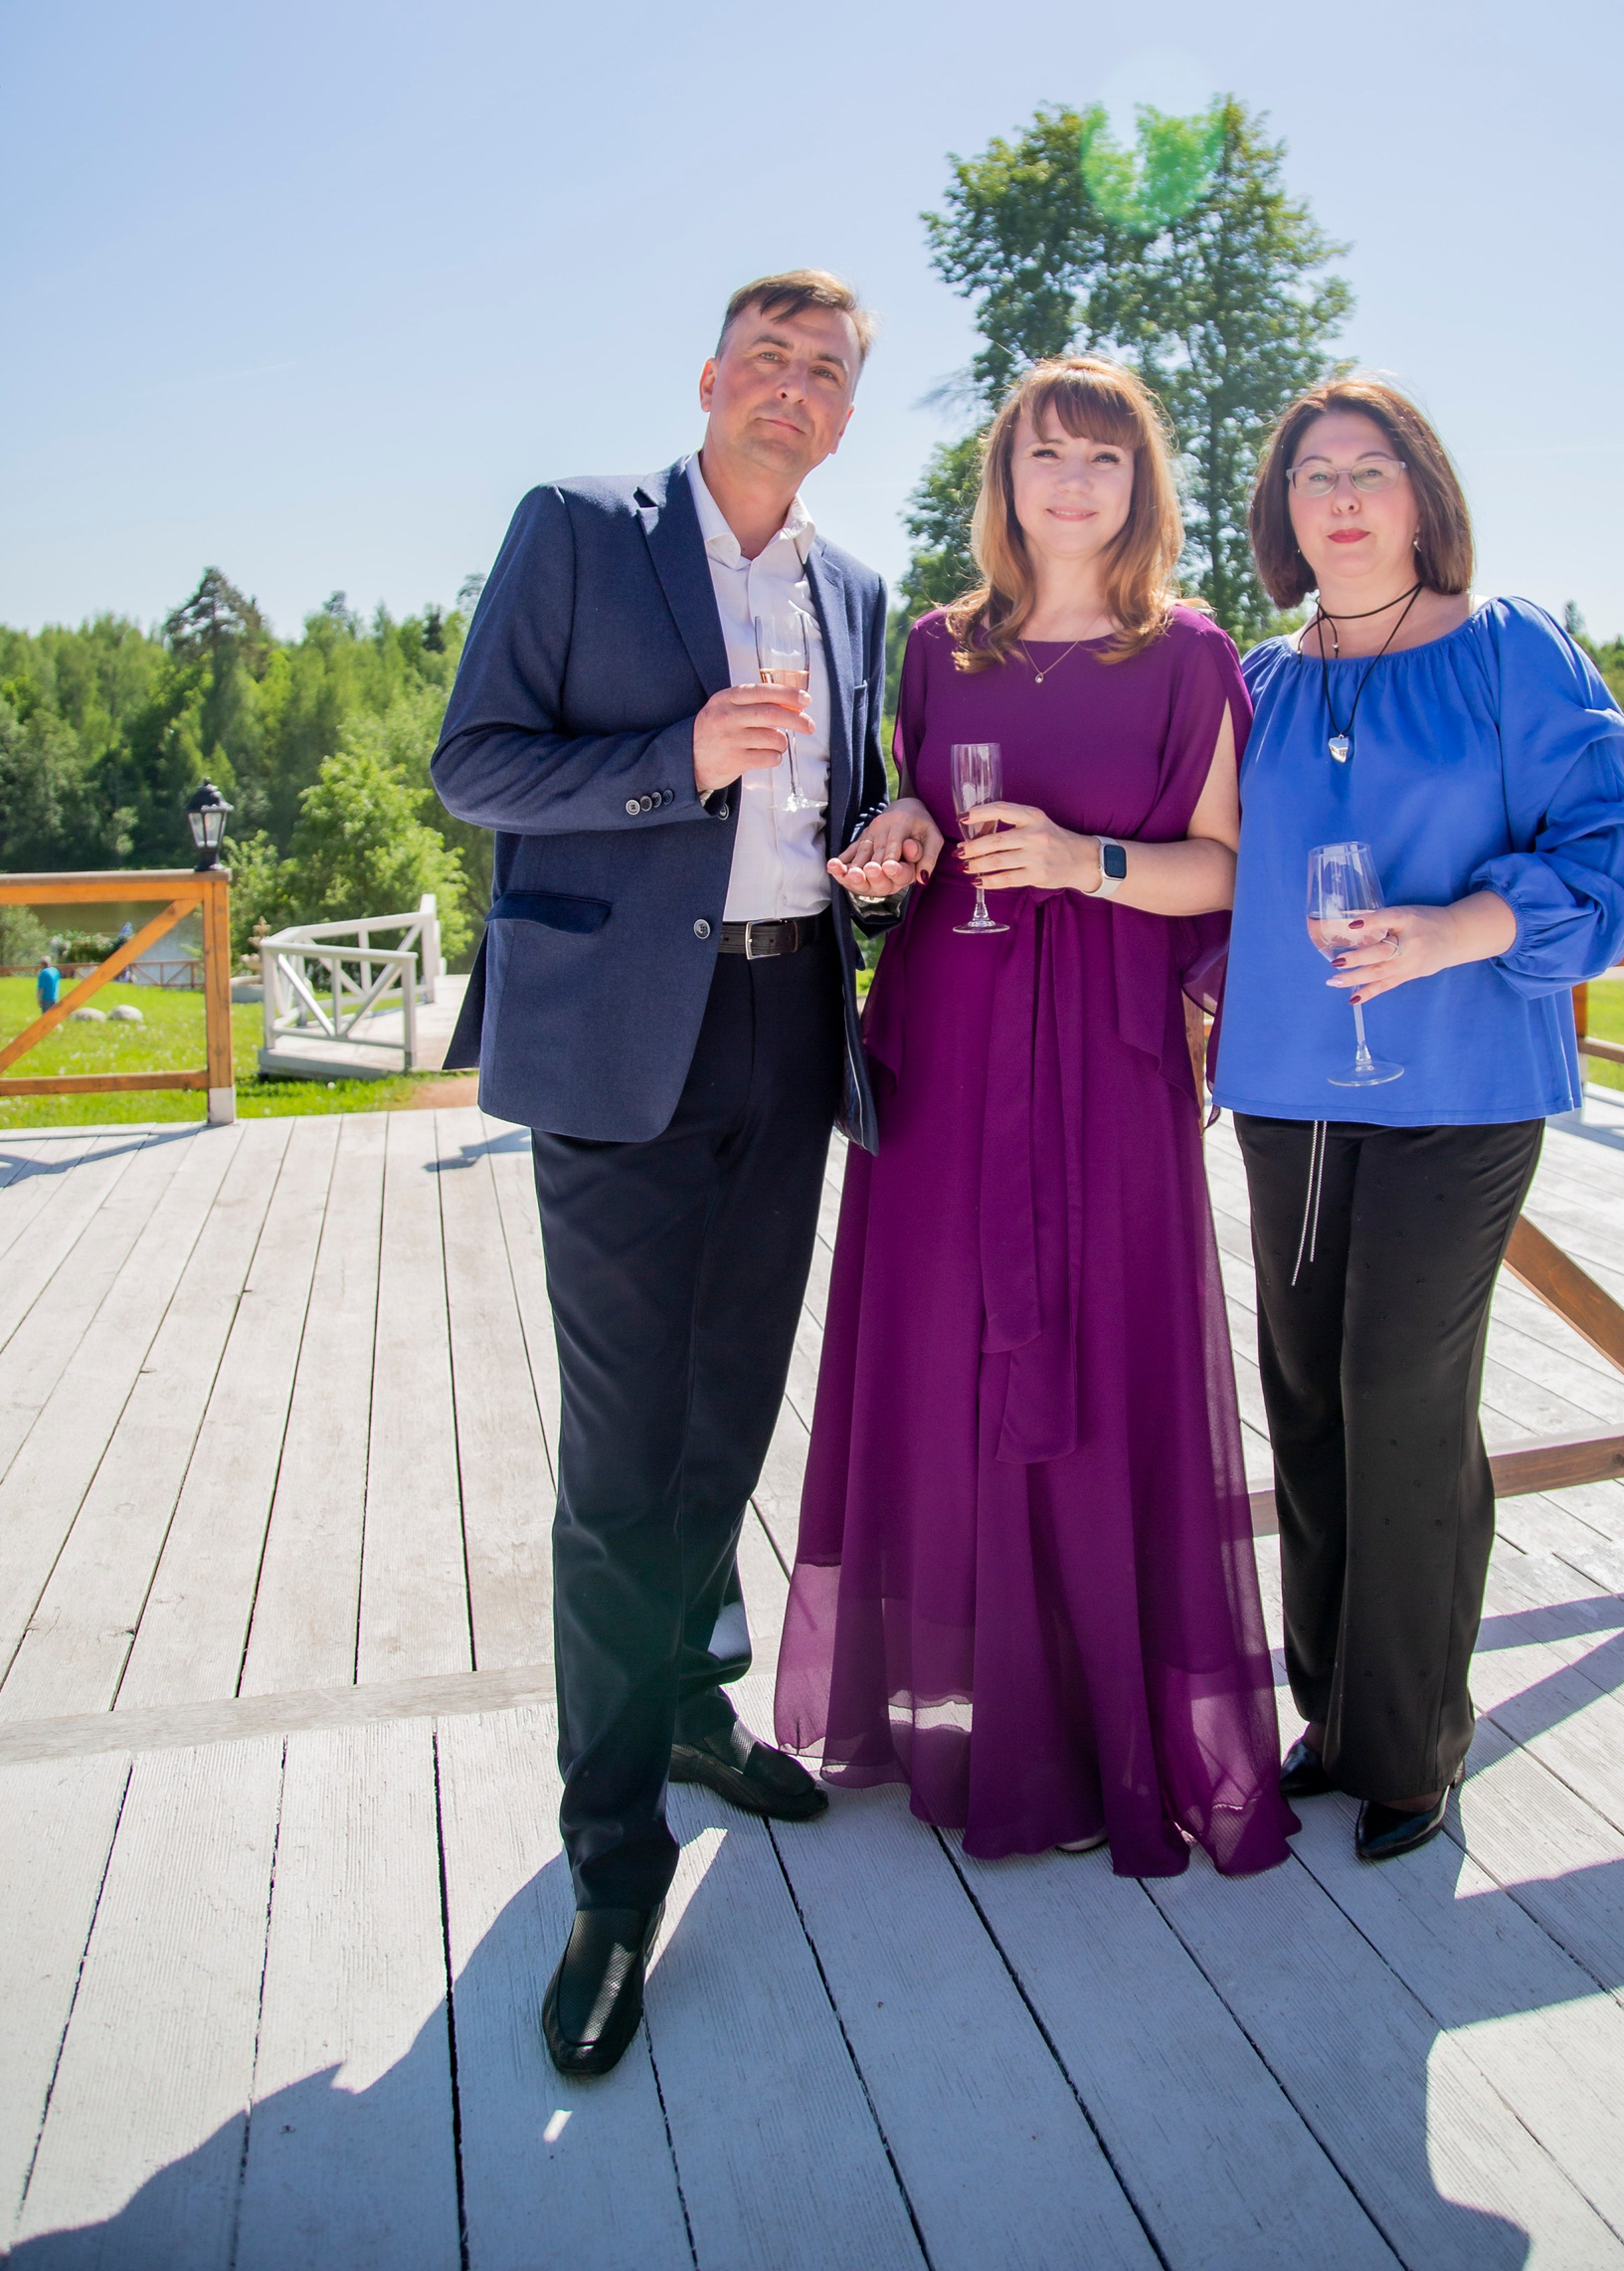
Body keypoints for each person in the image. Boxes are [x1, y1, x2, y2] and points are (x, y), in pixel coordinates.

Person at [433, 270, 895, 2077]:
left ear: (845, 413)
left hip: (787, 1028)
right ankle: (614, 1866)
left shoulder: (853, 593)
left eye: (826, 371)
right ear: (709, 380)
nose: (793, 388)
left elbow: (840, 809)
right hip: (624, 1044)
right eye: (767, 359)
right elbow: (476, 767)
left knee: (729, 1417)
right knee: (624, 1461)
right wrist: (672, 761)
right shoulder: (576, 531)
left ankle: (692, 1704)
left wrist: (885, 843)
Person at [777, 358, 1295, 1880]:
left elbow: (1230, 870)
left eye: (1104, 459)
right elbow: (917, 819)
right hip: (948, 1036)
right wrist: (902, 827)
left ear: (1143, 485)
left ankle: (1097, 1720)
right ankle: (962, 1717)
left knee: (1104, 1351)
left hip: (1110, 1053)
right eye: (1046, 455)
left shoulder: (1188, 654)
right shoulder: (939, 648)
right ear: (1003, 479)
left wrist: (1087, 864)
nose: (1073, 482)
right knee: (944, 1358)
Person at [1214, 377, 1624, 1864]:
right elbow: (1206, 868)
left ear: (1423, 496)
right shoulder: (1258, 684)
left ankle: (1411, 1747)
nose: (1341, 497)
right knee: (1308, 1396)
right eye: (1313, 474)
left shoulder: (1508, 648)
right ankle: (1331, 1717)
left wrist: (1454, 930)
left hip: (1463, 1090)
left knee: (1400, 1390)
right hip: (1291, 1091)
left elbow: (1610, 858)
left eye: (1372, 468)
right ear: (1282, 510)